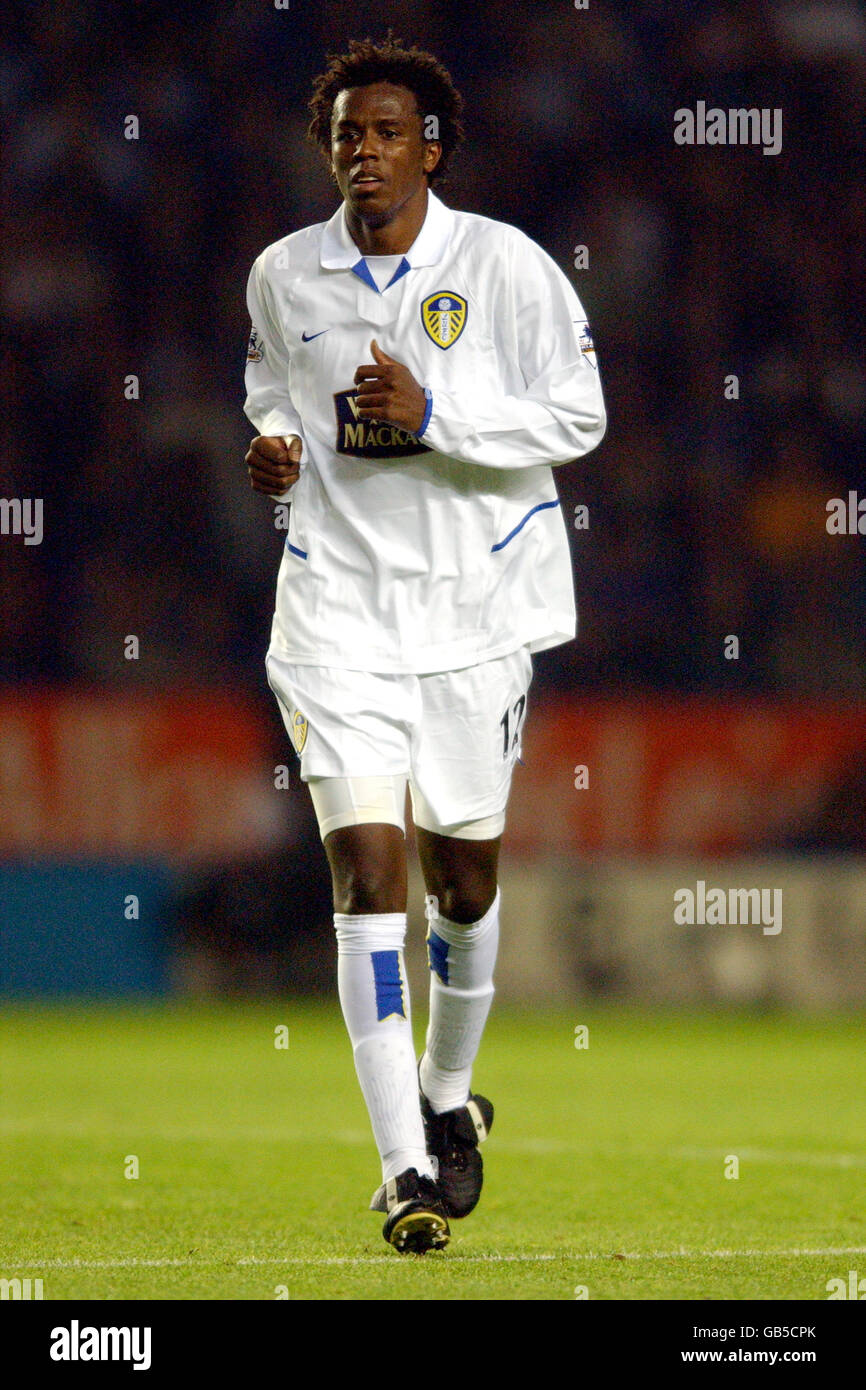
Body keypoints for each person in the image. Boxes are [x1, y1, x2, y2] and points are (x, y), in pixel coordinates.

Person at [243, 33, 606, 1254]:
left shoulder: (502, 267)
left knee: (463, 884)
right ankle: (404, 1165)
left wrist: (436, 414)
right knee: (366, 882)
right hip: (335, 616)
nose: (363, 150)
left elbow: (578, 413)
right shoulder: (282, 276)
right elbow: (269, 397)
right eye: (346, 132)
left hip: (469, 621)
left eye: (387, 131)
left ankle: (450, 1098)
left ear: (429, 147)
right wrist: (274, 457)